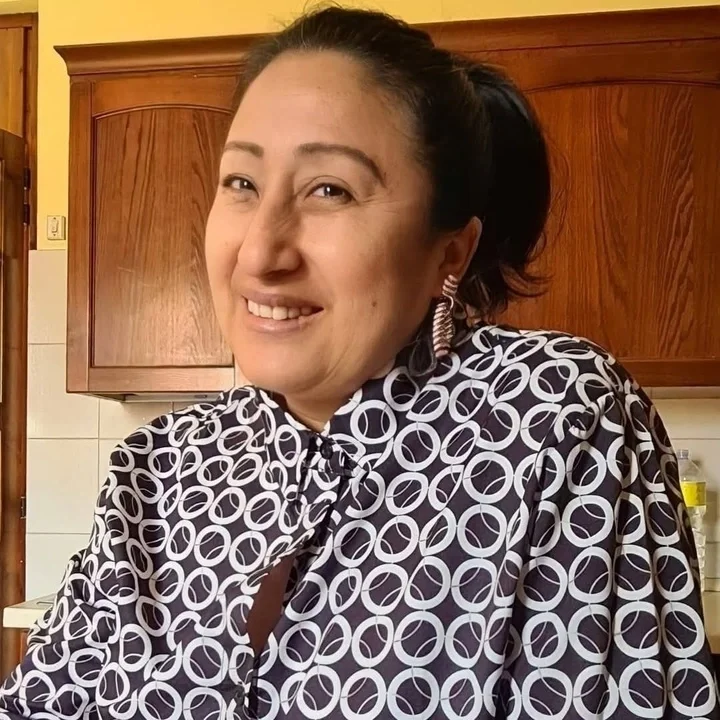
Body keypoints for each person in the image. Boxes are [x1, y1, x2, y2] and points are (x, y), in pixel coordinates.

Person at [1, 6, 717, 719]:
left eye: (329, 190)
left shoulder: (552, 416)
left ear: (450, 252)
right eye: (242, 183)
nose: (260, 253)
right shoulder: (158, 468)